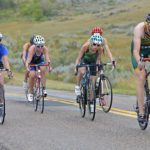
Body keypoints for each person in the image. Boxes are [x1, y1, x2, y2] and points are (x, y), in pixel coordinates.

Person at [74, 27, 115, 105]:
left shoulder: (103, 42)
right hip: (86, 58)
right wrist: (76, 67)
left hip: (95, 58)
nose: (96, 46)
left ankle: (100, 95)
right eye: (94, 44)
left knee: (99, 74)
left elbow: (106, 52)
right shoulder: (88, 43)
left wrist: (112, 60)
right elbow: (79, 58)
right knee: (83, 71)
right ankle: (80, 87)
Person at [131, 12, 150, 122]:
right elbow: (135, 51)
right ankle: (141, 112)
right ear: (147, 24)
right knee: (142, 77)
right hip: (139, 52)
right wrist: (139, 61)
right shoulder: (139, 28)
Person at [25, 35, 52, 102]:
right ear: (35, 45)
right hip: (32, 61)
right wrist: (27, 67)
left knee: (43, 69)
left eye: (42, 46)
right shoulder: (32, 49)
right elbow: (28, 60)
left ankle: (44, 88)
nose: (40, 48)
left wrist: (49, 67)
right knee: (32, 75)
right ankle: (31, 92)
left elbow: (47, 59)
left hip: (40, 60)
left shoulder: (45, 49)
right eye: (38, 46)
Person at [0, 33, 13, 114]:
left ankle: (1, 103)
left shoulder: (3, 48)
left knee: (1, 84)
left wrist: (8, 71)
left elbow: (6, 61)